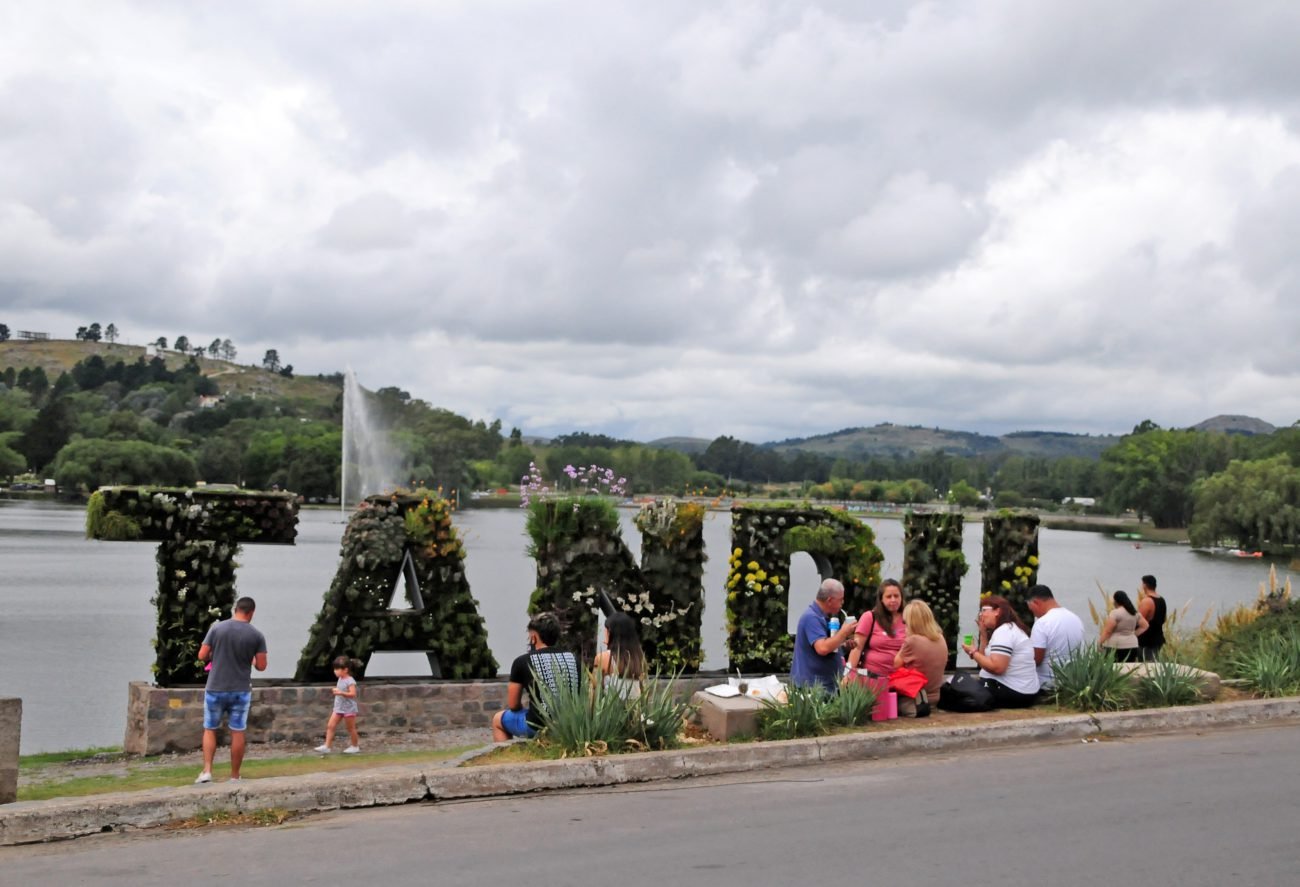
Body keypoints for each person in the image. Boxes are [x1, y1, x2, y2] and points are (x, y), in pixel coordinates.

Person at [195, 596, 268, 784]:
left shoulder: (217, 628)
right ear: (251, 612)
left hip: (215, 687)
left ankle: (207, 771)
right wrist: (250, 659)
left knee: (210, 729)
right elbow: (261, 666)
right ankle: (235, 776)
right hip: (240, 690)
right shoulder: (257, 635)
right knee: (237, 731)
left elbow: (202, 655)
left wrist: (215, 653)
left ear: (236, 609)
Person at [492, 612, 580, 741]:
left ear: (533, 637)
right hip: (570, 723)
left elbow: (513, 704)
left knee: (497, 720)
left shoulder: (522, 662)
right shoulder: (573, 658)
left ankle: (507, 759)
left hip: (537, 724)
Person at [962, 595, 1039, 707]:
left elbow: (997, 668)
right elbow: (984, 662)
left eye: (984, 610)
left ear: (997, 611)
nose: (981, 615)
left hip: (1015, 691)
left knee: (956, 688)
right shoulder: (1007, 629)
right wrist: (983, 635)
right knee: (960, 685)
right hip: (1022, 690)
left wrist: (973, 653)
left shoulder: (1005, 632)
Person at [791, 578, 858, 693]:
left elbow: (828, 646)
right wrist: (843, 632)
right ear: (829, 600)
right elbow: (822, 648)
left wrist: (844, 647)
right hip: (812, 689)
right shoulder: (811, 617)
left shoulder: (823, 617)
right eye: (840, 600)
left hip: (826, 686)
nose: (842, 603)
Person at [1026, 585, 1085, 691]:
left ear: (1036, 603)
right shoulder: (1075, 619)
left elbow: (1036, 660)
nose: (1034, 615)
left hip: (1046, 684)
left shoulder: (1042, 623)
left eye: (1031, 610)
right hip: (1071, 683)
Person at [846, 578, 906, 678]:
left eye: (896, 596)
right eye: (888, 596)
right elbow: (857, 648)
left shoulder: (909, 619)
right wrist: (848, 674)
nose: (893, 600)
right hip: (871, 677)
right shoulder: (870, 617)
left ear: (901, 597)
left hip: (900, 679)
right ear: (881, 599)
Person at [893, 600, 948, 707]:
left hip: (915, 699)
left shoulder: (912, 641)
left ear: (912, 622)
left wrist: (907, 637)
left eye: (905, 622)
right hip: (935, 697)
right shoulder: (940, 638)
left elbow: (895, 664)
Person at [315, 656, 362, 754]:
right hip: (338, 708)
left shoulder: (350, 681)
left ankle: (355, 746)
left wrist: (340, 692)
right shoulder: (340, 679)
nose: (335, 671)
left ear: (345, 670)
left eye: (337, 669)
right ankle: (327, 746)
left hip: (349, 709)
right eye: (334, 669)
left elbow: (353, 694)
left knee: (350, 728)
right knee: (330, 726)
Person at [594, 612, 645, 699]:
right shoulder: (638, 658)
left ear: (611, 633)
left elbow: (595, 691)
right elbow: (643, 690)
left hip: (611, 711)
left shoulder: (603, 658)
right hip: (634, 710)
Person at [1099, 590, 1148, 662]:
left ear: (1116, 601)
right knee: (1129, 669)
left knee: (1114, 670)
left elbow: (1108, 631)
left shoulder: (1115, 613)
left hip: (1115, 647)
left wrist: (1100, 642)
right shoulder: (1134, 613)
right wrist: (1132, 634)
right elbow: (1145, 626)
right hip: (1132, 645)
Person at [1137, 574, 1167, 660]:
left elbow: (1139, 621)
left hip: (1146, 641)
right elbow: (1164, 619)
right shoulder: (1161, 600)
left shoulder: (1147, 601)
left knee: (1145, 666)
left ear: (1145, 585)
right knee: (1153, 664)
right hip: (1158, 638)